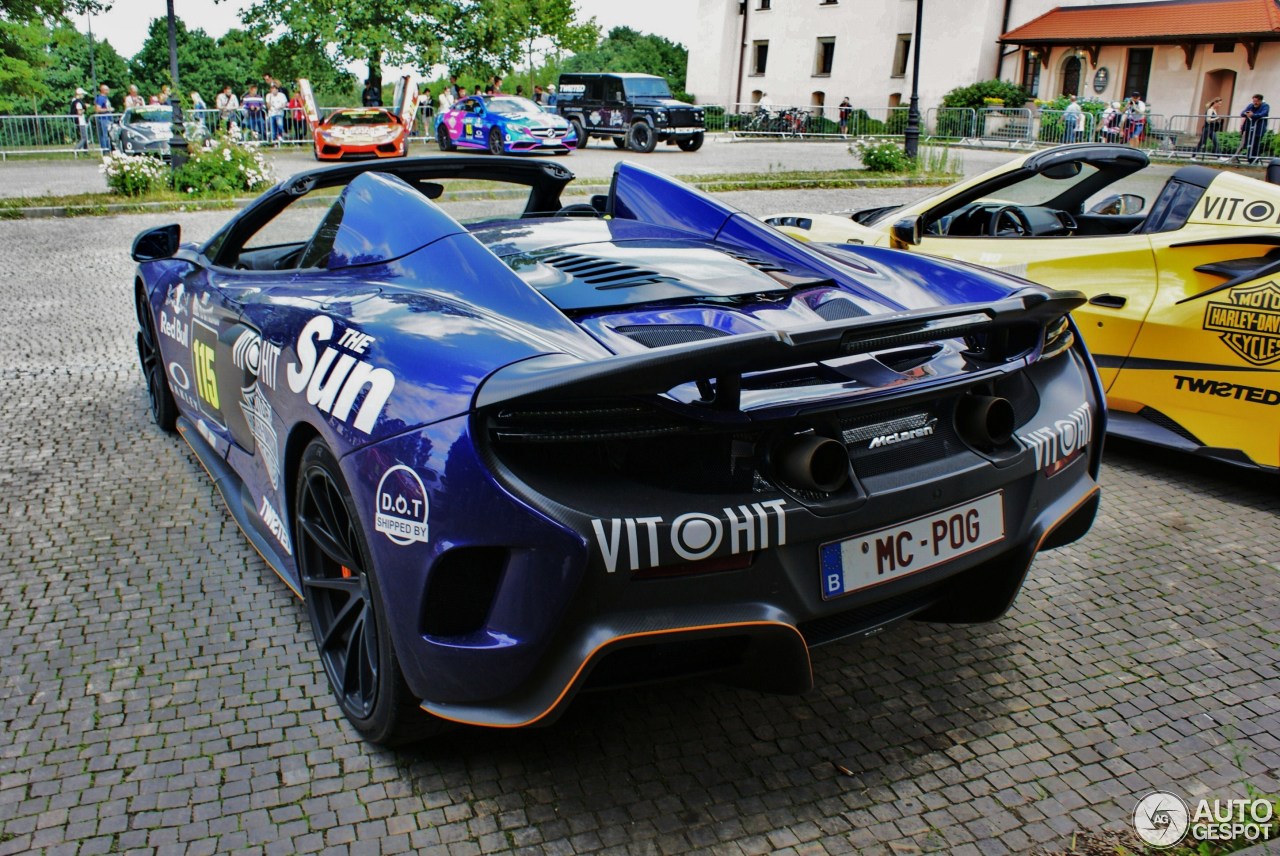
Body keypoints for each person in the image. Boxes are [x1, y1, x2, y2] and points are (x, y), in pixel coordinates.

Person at [1242, 93, 1269, 162]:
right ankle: (1249, 159)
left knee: (1256, 144)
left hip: (1259, 128)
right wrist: (1246, 113)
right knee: (1249, 143)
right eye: (1254, 101)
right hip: (1249, 127)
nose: (1255, 103)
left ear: (1260, 101)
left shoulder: (1265, 106)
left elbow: (1263, 114)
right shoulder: (1251, 106)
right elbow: (1242, 113)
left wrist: (1252, 115)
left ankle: (1254, 160)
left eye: (1256, 101)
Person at [93, 83, 113, 152]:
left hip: (108, 118)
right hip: (103, 119)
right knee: (104, 135)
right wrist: (108, 109)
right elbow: (97, 109)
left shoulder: (106, 98)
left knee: (107, 135)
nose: (108, 90)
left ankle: (108, 149)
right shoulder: (100, 98)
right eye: (107, 89)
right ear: (103, 90)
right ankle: (105, 150)